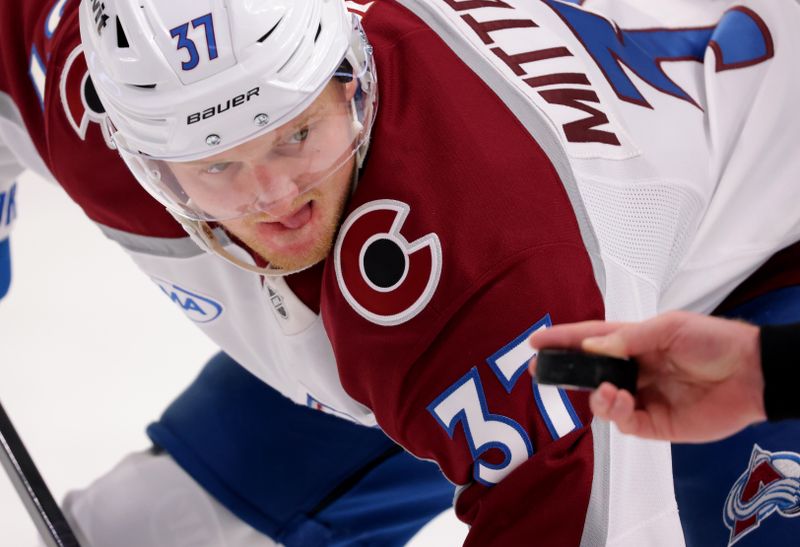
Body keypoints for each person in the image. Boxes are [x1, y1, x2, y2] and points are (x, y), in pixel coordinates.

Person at [5, 0, 800, 546]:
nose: (275, 200)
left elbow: (601, 526)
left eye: (295, 134)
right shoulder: (64, 74)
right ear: (139, 156)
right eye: (216, 167)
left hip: (762, 247)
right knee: (140, 531)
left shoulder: (500, 271)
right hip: (464, 298)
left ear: (350, 72)